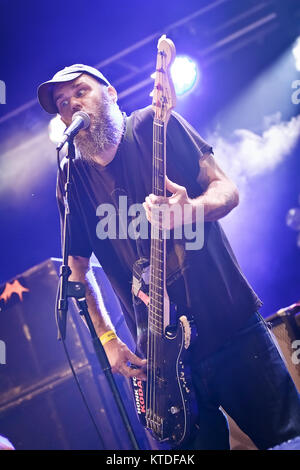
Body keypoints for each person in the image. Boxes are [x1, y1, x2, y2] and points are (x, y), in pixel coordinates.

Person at [38, 64, 300, 450]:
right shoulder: (71, 178)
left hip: (231, 329)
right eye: (62, 102)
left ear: (110, 93)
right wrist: (109, 339)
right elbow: (77, 269)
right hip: (164, 362)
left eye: (80, 92)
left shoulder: (154, 126)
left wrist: (191, 210)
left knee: (286, 443)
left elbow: (226, 190)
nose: (72, 104)